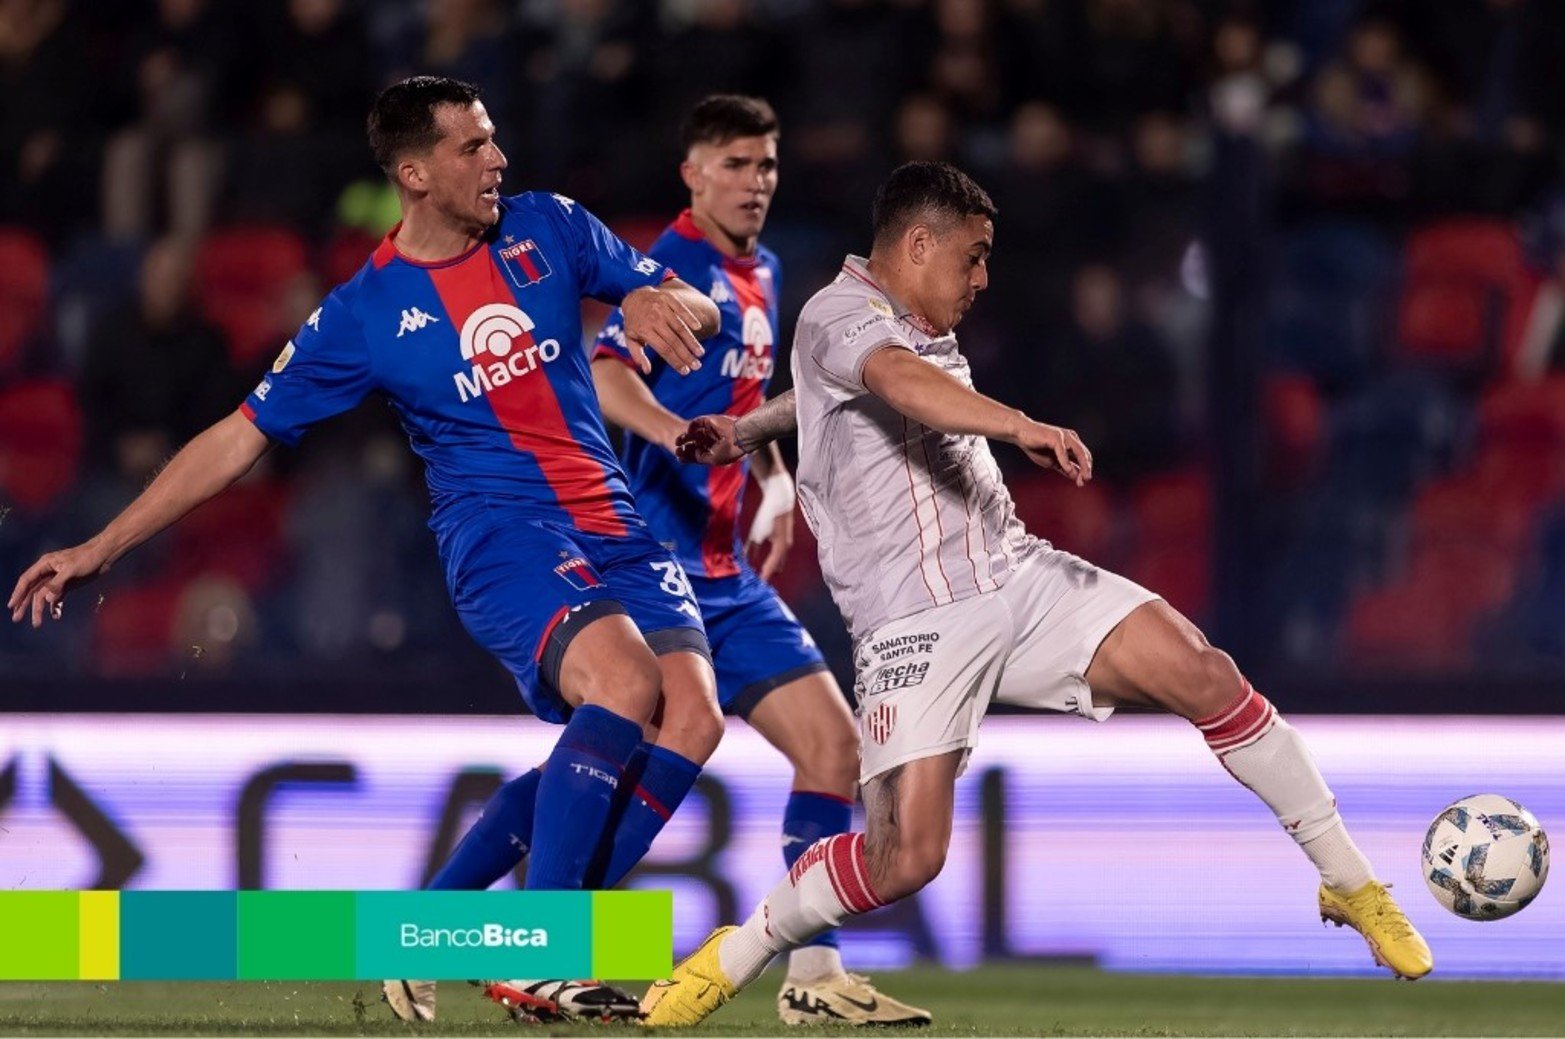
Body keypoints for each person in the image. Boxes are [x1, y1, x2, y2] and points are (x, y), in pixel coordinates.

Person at [642, 161, 1433, 1027]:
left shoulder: (888, 322)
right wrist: (1018, 423)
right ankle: (737, 951)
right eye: (972, 257)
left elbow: (829, 390)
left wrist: (747, 427)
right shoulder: (842, 314)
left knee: (1206, 673)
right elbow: (896, 383)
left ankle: (1350, 882)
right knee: (903, 859)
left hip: (1012, 571)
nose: (982, 278)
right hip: (915, 617)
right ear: (916, 244)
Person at [8, 75, 723, 1022]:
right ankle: (546, 950)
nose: (496, 159)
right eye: (472, 147)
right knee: (627, 685)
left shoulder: (549, 224)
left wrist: (654, 306)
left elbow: (688, 304)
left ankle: (428, 932)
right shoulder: (367, 311)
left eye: (494, 139)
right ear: (415, 173)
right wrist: (101, 544)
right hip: (501, 535)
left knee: (695, 719)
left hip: (612, 518)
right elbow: (238, 437)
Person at [408, 94, 929, 1028]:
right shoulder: (676, 263)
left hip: (730, 572)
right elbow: (608, 375)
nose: (754, 183)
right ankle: (485, 934)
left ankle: (810, 971)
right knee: (636, 743)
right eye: (733, 164)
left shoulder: (762, 270)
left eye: (766, 165)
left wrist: (766, 468)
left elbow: (741, 397)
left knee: (834, 746)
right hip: (650, 563)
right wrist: (680, 434)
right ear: (691, 174)